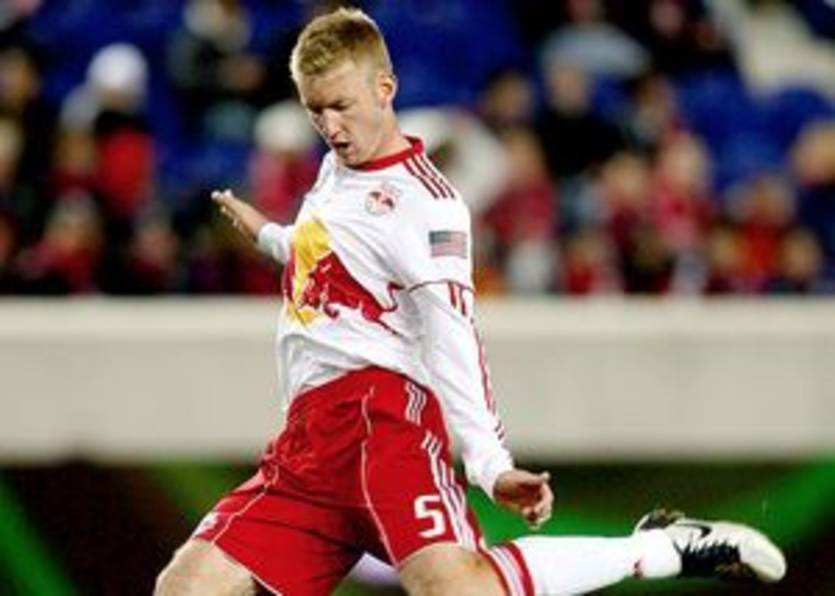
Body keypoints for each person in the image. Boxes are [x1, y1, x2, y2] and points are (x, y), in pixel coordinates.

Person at [155, 8, 786, 595]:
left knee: (460, 588)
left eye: (342, 107)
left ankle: (656, 549)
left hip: (380, 420)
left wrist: (489, 463)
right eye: (316, 112)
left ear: (385, 88)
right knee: (185, 588)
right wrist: (273, 237)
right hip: (308, 442)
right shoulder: (336, 170)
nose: (331, 127)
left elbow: (452, 332)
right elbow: (336, 257)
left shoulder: (427, 205)